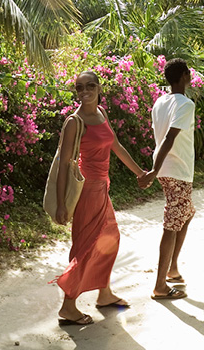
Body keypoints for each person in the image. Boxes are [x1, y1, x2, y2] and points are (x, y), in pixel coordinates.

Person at [54, 70, 147, 325]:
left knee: (109, 239)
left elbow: (115, 145)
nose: (84, 91)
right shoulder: (74, 122)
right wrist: (62, 203)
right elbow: (63, 164)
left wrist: (140, 173)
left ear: (99, 88)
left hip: (102, 189)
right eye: (79, 87)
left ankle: (104, 294)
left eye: (90, 86)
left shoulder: (101, 113)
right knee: (86, 247)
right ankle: (68, 307)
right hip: (86, 192)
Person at [139, 58, 196, 300]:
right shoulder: (185, 104)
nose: (190, 76)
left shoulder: (160, 102)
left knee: (187, 212)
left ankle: (172, 269)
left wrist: (156, 169)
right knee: (172, 222)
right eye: (188, 73)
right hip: (175, 170)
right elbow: (170, 138)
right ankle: (160, 285)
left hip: (172, 170)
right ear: (183, 76)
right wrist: (154, 169)